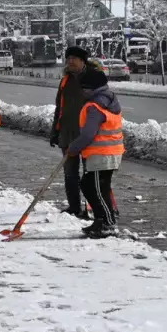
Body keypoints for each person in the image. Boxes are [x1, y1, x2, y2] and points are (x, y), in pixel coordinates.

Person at [66, 67, 124, 239]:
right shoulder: (107, 100)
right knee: (89, 185)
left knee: (98, 189)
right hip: (106, 153)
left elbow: (88, 134)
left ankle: (108, 223)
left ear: (91, 88)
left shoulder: (95, 107)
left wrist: (74, 147)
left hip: (102, 154)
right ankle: (101, 219)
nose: (82, 92)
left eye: (84, 88)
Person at [49, 46, 91, 219]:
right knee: (70, 173)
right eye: (69, 58)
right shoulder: (65, 80)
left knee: (90, 174)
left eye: (75, 58)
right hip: (67, 132)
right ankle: (74, 206)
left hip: (88, 134)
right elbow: (60, 108)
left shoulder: (91, 79)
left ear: (83, 61)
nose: (71, 61)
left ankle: (91, 208)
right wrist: (54, 130)